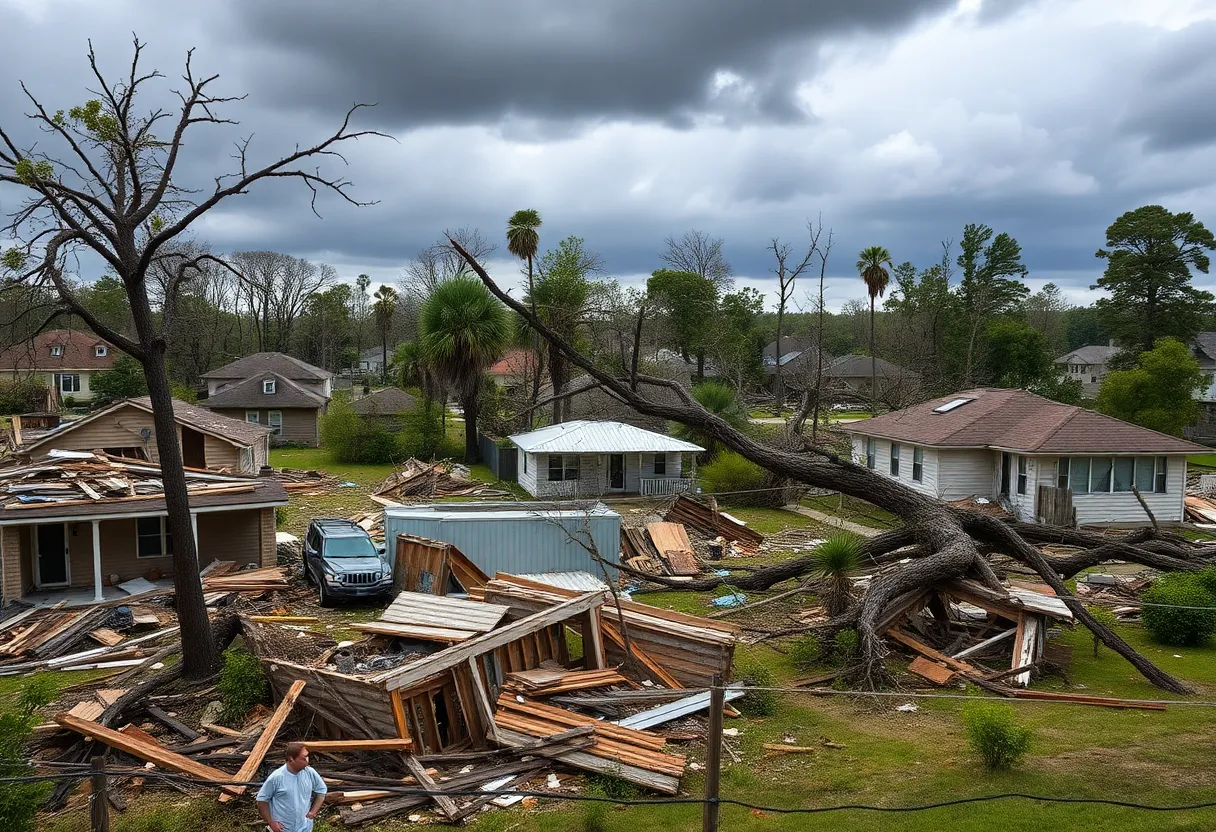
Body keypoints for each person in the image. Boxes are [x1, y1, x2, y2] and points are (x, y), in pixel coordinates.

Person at [256, 743, 328, 832]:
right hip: (283, 829)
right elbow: (262, 800)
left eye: (307, 756)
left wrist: (313, 811)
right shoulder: (276, 777)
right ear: (291, 759)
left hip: (305, 827)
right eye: (303, 758)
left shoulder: (310, 773)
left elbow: (322, 791)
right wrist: (271, 822)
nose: (307, 760)